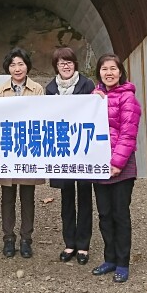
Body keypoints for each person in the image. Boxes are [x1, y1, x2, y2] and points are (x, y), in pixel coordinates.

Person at [89, 54, 142, 284]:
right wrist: (93, 100)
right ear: (99, 73)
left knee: (120, 215)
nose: (108, 73)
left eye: (113, 69)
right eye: (104, 69)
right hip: (99, 165)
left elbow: (128, 134)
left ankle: (122, 262)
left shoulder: (128, 98)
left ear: (120, 72)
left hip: (121, 166)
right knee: (104, 214)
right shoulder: (95, 97)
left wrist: (117, 164)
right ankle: (109, 258)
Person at [0, 47, 44, 258]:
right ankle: (8, 238)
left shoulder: (38, 89)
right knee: (7, 196)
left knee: (28, 196)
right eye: (13, 64)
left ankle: (26, 238)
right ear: (8, 68)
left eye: (20, 63)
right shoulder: (0, 90)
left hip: (29, 149)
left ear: (27, 66)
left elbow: (42, 117)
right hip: (6, 150)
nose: (17, 68)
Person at [45, 47, 96, 265]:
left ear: (75, 64)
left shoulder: (87, 85)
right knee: (66, 198)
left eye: (69, 62)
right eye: (61, 63)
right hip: (62, 151)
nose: (65, 66)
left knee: (84, 196)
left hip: (83, 149)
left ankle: (83, 245)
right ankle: (69, 242)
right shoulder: (50, 88)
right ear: (56, 66)